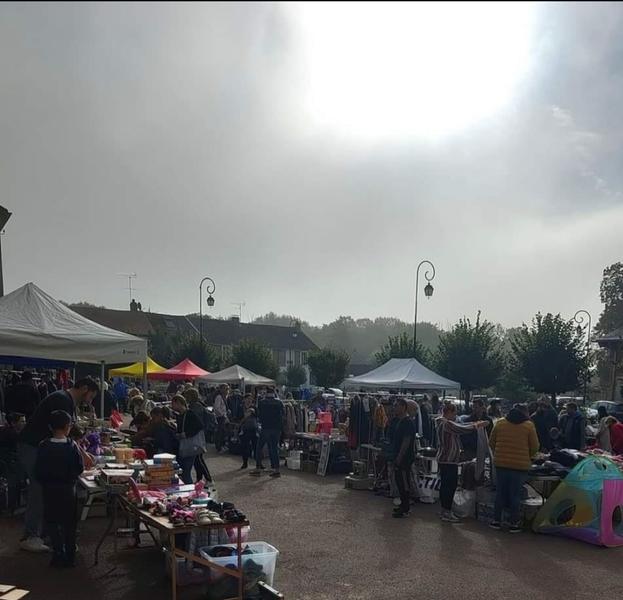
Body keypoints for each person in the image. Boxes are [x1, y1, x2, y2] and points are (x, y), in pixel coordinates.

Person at [17, 378, 98, 552]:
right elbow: (62, 430)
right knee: (38, 487)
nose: (90, 400)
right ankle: (30, 535)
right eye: (91, 395)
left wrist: (82, 448)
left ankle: (43, 533)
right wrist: (82, 453)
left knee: (45, 488)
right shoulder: (62, 399)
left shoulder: (65, 400)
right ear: (84, 388)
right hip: (31, 446)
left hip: (37, 446)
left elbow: (68, 431)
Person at [34, 410, 84, 567]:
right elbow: (79, 468)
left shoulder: (43, 446)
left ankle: (57, 553)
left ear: (50, 427)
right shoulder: (72, 446)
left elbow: (38, 470)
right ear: (68, 427)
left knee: (52, 522)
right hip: (68, 490)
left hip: (49, 490)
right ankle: (70, 556)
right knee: (69, 524)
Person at [489, 403, 539, 533]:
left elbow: (491, 441)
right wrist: (528, 455)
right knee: (515, 494)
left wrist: (499, 452)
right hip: (520, 465)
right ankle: (513, 523)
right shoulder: (528, 426)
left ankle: (496, 521)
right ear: (524, 413)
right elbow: (535, 446)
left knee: (500, 492)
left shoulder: (500, 423)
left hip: (501, 463)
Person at [435, 401, 487, 523]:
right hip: (449, 459)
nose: (456, 416)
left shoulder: (442, 422)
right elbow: (461, 428)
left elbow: (461, 425)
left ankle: (444, 510)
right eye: (454, 413)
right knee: (450, 486)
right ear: (449, 412)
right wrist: (477, 426)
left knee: (445, 485)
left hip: (445, 458)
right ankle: (446, 512)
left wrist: (475, 423)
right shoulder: (446, 424)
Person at [171, 394, 206, 484]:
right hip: (185, 446)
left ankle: (190, 490)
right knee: (183, 471)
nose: (172, 406)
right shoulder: (180, 415)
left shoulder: (190, 414)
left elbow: (199, 426)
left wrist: (186, 434)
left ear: (179, 403)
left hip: (190, 446)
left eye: (173, 404)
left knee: (186, 471)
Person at [251, 388, 284, 478]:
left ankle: (258, 468)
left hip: (265, 427)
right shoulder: (279, 402)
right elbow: (283, 415)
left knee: (259, 447)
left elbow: (258, 414)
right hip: (276, 428)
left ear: (266, 393)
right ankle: (276, 469)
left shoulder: (262, 402)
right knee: (274, 448)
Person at [392, 398, 416, 518]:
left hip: (404, 459)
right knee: (399, 481)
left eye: (396, 406)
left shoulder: (408, 422)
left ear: (403, 407)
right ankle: (403, 504)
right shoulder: (399, 421)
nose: (394, 408)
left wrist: (400, 457)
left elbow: (406, 441)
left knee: (404, 482)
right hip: (399, 457)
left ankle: (406, 507)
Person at [183, 388, 213, 483]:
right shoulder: (199, 405)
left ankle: (208, 479)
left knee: (198, 458)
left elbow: (196, 423)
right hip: (200, 433)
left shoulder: (194, 407)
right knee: (197, 459)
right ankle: (200, 478)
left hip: (197, 434)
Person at [0, 413, 26, 513]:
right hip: (11, 464)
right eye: (22, 421)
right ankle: (13, 506)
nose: (25, 423)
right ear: (14, 423)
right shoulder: (14, 435)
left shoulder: (4, 431)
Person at [213, 384, 229, 452]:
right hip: (220, 417)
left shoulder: (224, 397)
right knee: (220, 432)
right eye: (225, 389)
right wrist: (222, 414)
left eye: (227, 389)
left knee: (223, 432)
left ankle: (222, 445)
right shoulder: (219, 397)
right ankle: (219, 447)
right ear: (221, 389)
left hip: (223, 416)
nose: (227, 390)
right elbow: (217, 407)